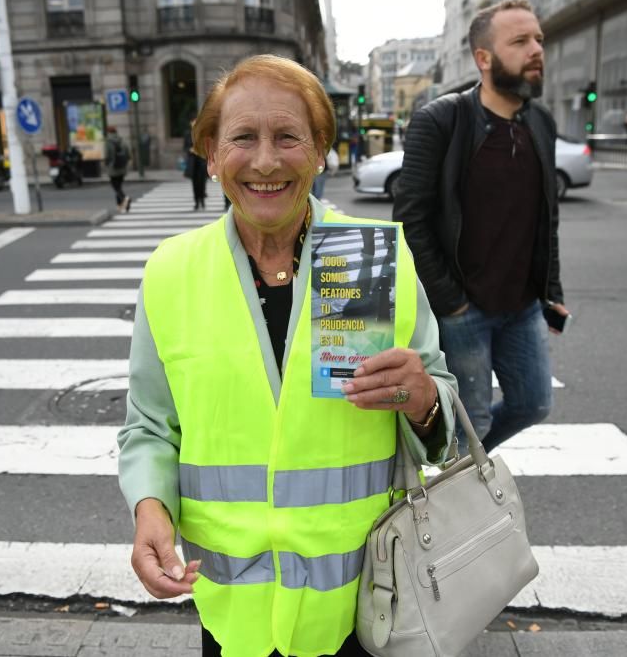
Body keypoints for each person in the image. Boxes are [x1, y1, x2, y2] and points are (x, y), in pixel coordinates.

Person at [118, 54, 458, 657]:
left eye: (288, 137)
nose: (267, 161)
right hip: (233, 608)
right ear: (212, 155)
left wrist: (424, 399)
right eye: (243, 138)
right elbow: (150, 425)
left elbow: (442, 414)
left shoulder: (363, 256)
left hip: (357, 603)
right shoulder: (172, 272)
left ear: (321, 149)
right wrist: (151, 510)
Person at [394, 0, 569, 454]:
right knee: (472, 416)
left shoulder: (541, 123)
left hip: (523, 306)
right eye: (520, 41)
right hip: (465, 308)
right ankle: (455, 500)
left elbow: (544, 215)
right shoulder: (441, 119)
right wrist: (451, 303)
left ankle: (465, 471)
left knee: (533, 404)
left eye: (538, 40)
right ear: (484, 58)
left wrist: (552, 289)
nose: (536, 50)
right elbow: (410, 218)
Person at [183, 117, 208, 209]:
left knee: (202, 183)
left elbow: (206, 146)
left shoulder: (202, 133)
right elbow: (185, 147)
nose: (194, 123)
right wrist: (191, 150)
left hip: (201, 161)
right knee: (195, 184)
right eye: (193, 121)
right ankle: (196, 201)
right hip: (193, 162)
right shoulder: (187, 134)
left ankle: (202, 200)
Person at [104, 126, 130, 212]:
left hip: (113, 168)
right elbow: (128, 155)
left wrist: (106, 164)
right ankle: (120, 206)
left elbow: (107, 155)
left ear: (108, 132)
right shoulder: (122, 140)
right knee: (119, 186)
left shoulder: (108, 142)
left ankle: (125, 198)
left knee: (116, 187)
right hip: (122, 168)